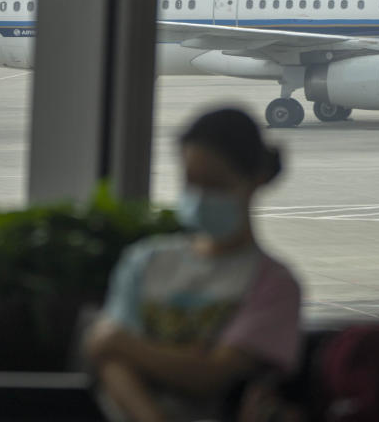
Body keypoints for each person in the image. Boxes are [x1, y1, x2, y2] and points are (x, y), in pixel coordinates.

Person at [84, 108, 302, 422]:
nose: (200, 197)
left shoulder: (275, 285)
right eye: (191, 182)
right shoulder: (145, 261)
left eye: (215, 185)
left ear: (256, 180)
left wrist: (124, 343)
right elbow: (108, 361)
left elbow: (210, 377)